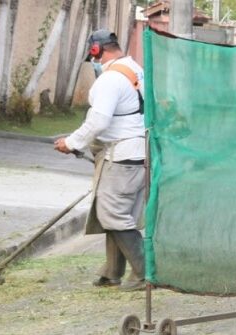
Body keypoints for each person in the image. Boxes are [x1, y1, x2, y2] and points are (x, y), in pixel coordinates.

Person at [54, 29, 146, 291]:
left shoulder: (110, 79)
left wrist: (71, 142)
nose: (93, 62)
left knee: (113, 214)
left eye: (92, 56)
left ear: (96, 50)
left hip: (121, 156)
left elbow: (99, 120)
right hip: (135, 154)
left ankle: (145, 272)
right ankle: (112, 271)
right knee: (116, 213)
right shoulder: (136, 71)